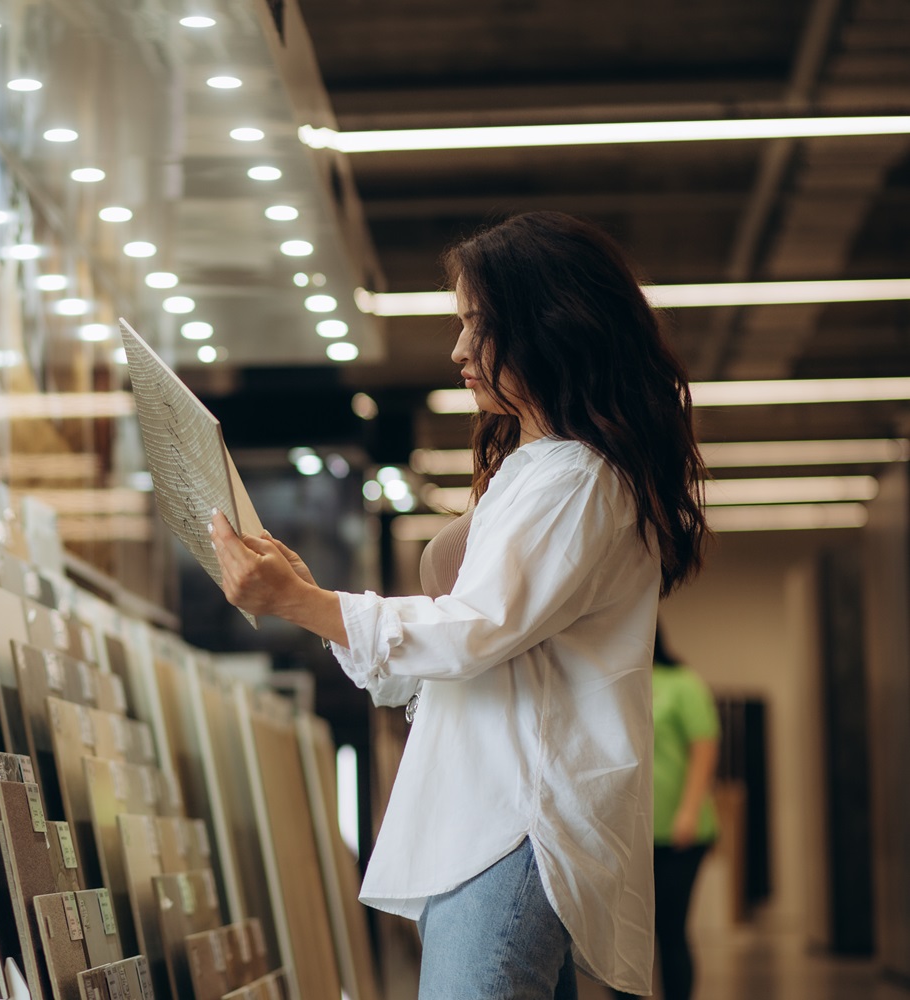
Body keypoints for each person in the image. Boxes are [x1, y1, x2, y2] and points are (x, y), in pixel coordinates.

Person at [208, 211, 709, 999]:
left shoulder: (575, 477)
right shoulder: (541, 469)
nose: (458, 350)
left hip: (511, 827)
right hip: (495, 823)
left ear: (547, 325)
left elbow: (474, 633)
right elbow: (464, 651)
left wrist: (308, 604)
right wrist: (311, 597)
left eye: (479, 324)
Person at [614, 626, 720, 1000]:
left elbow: (704, 748)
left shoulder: (683, 683)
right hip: (627, 836)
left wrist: (689, 812)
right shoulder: (616, 677)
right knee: (624, 937)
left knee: (670, 931)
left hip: (678, 835)